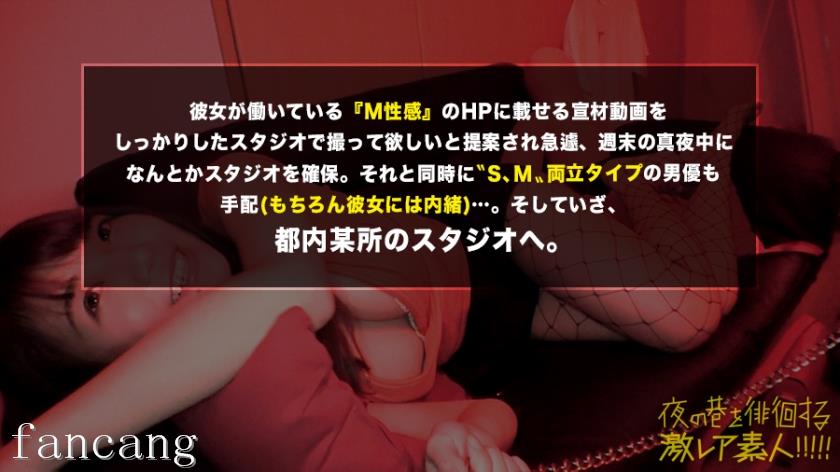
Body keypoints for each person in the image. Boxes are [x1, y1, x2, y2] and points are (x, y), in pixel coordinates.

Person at [0, 153, 528, 472]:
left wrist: (32, 453)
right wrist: (469, 448)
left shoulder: (233, 186)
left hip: (507, 200)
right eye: (92, 299)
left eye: (103, 232)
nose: (138, 257)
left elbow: (296, 288)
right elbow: (487, 412)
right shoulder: (283, 386)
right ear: (100, 372)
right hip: (526, 309)